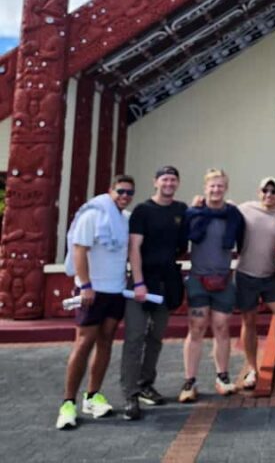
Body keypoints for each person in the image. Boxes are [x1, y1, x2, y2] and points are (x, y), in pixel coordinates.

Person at [56, 176, 135, 429]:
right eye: (120, 191)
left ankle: (92, 395)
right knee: (84, 342)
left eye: (129, 193)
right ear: (110, 190)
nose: (124, 196)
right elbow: (79, 250)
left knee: (106, 340)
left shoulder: (126, 219)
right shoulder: (92, 215)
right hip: (93, 290)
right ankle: (68, 402)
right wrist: (86, 285)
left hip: (116, 290)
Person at [121, 165, 187, 420]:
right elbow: (134, 248)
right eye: (164, 179)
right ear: (155, 182)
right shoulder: (142, 210)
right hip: (143, 281)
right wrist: (138, 283)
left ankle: (145, 383)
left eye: (173, 179)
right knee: (135, 337)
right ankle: (130, 394)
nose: (169, 183)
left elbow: (183, 244)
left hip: (166, 281)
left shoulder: (181, 210)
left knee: (156, 336)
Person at [179, 169, 245, 403]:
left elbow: (244, 241)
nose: (216, 190)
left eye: (220, 186)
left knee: (222, 327)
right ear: (205, 188)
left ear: (226, 188)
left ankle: (222, 376)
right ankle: (190, 380)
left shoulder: (233, 215)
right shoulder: (193, 213)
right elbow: (179, 238)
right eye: (212, 186)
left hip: (223, 278)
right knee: (196, 328)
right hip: (199, 278)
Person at [236, 176, 275, 390]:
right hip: (246, 275)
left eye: (273, 191)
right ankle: (252, 368)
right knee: (249, 321)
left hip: (271, 275)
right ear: (258, 192)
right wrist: (200, 203)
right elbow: (222, 210)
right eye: (265, 190)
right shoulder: (244, 209)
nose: (268, 194)